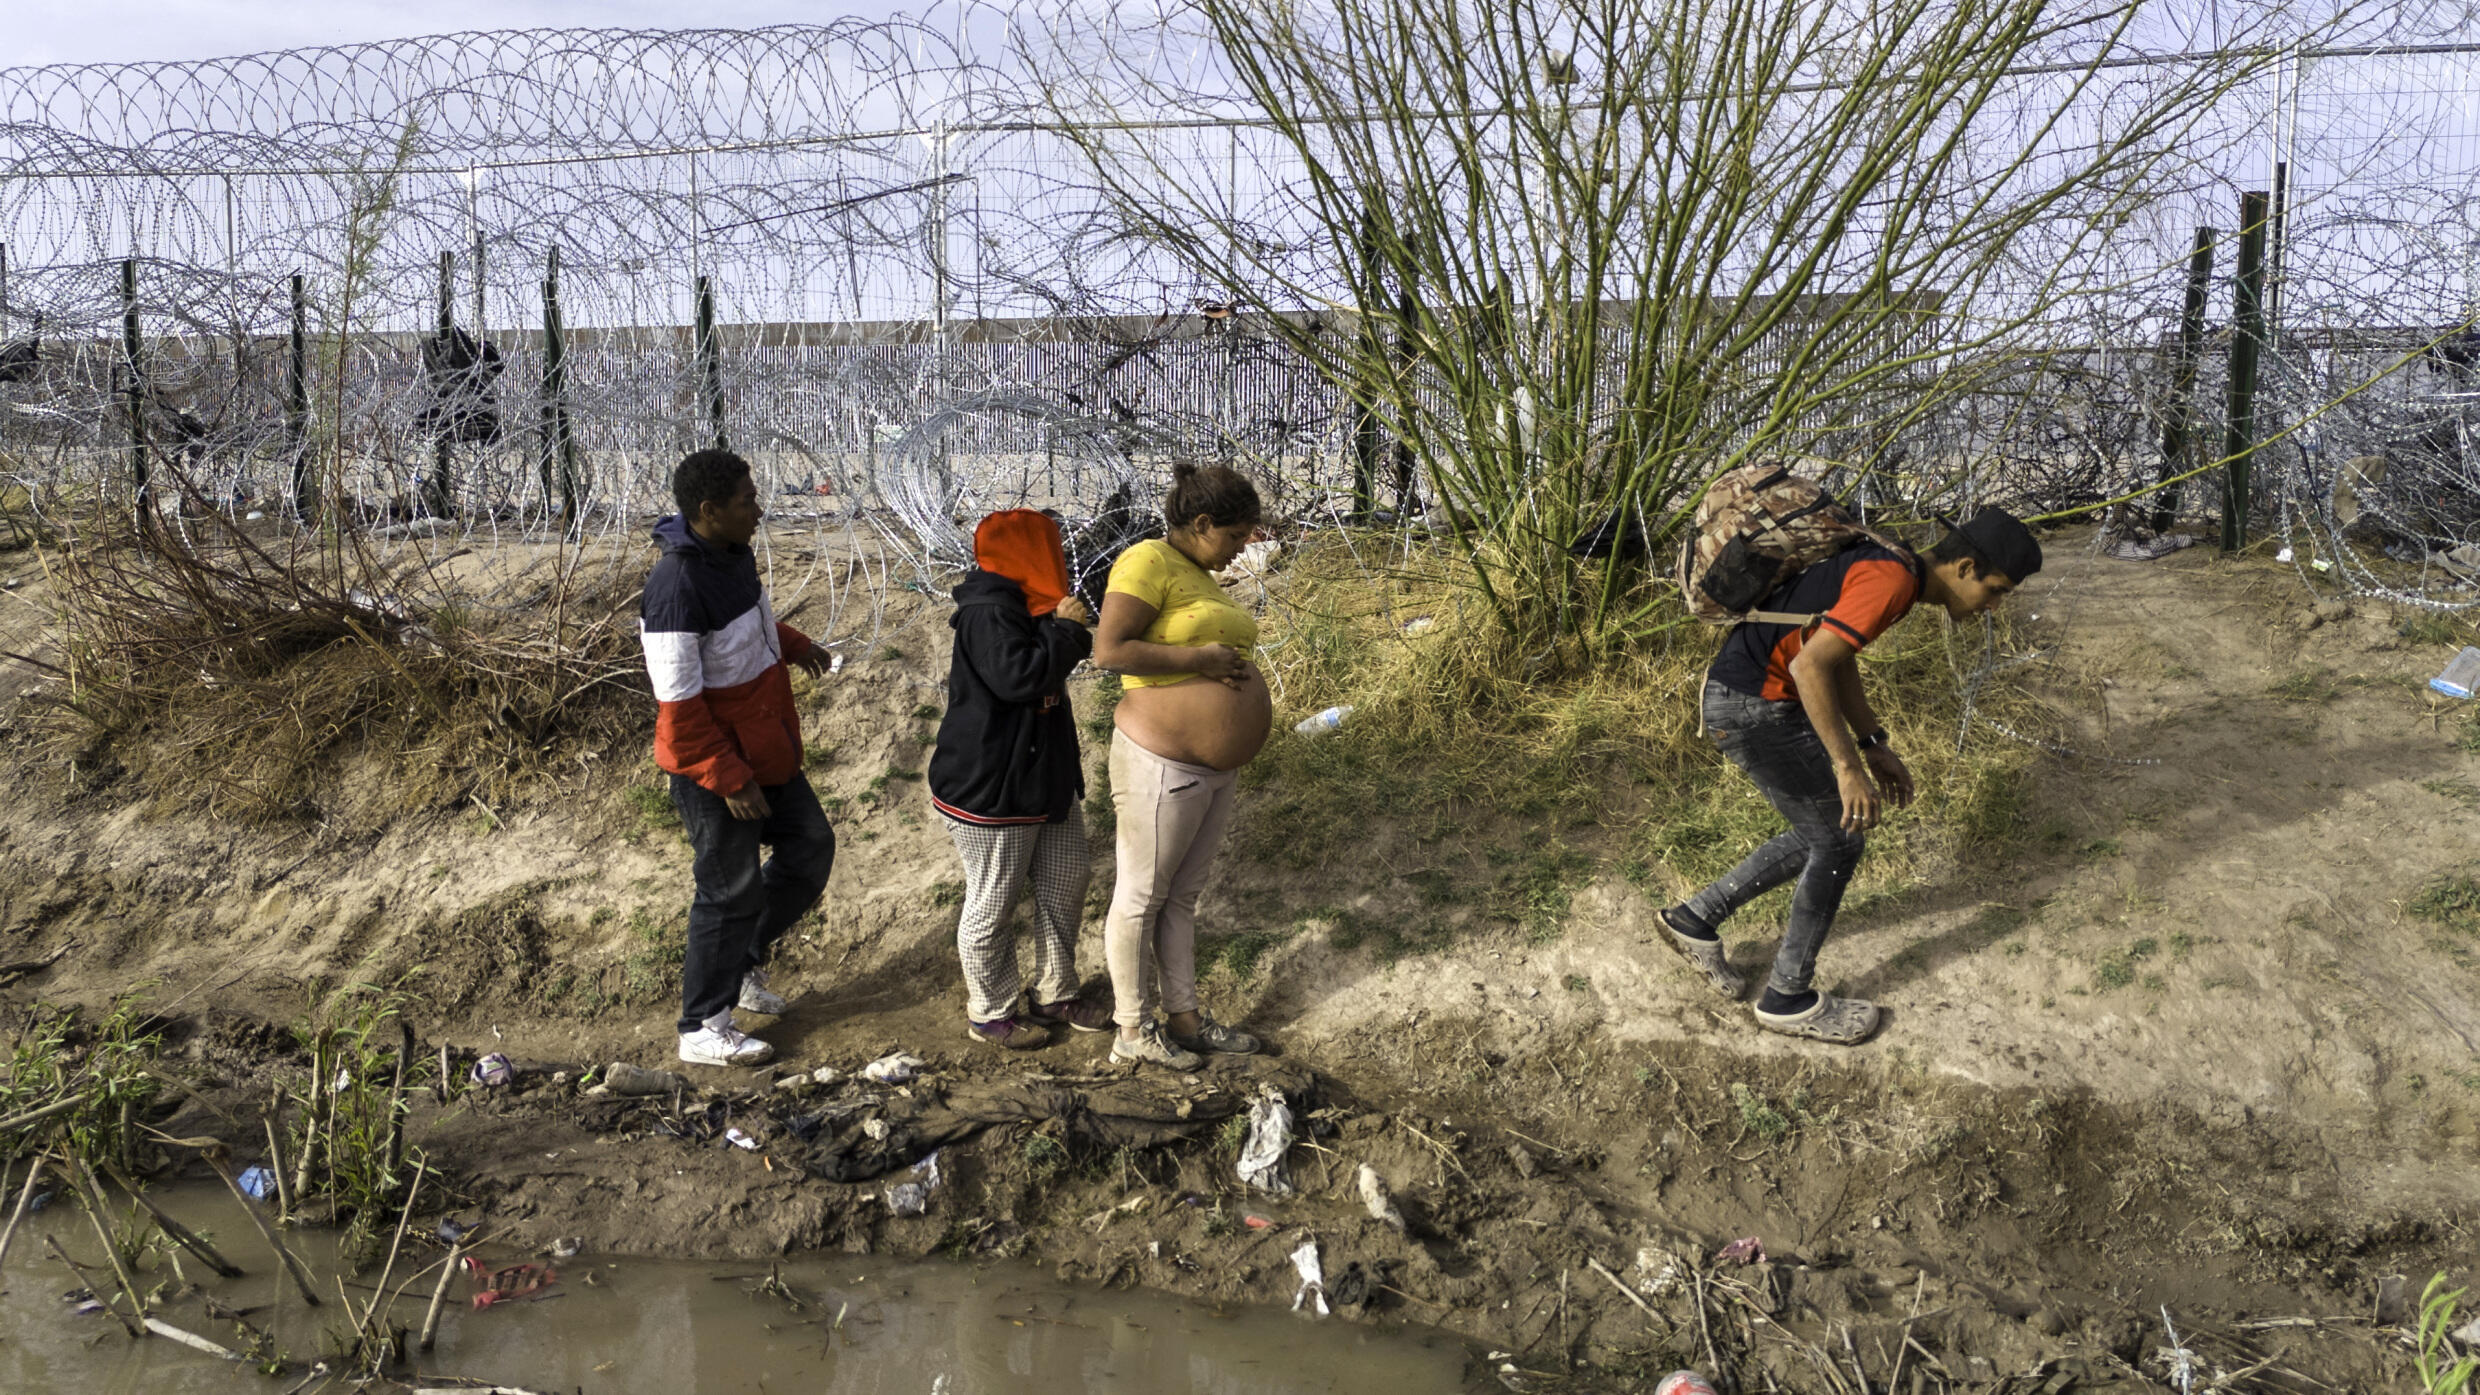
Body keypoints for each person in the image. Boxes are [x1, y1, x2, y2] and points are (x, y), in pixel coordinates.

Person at [1661, 505, 2043, 1045]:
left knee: (1818, 832)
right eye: (1997, 589)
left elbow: (1836, 657)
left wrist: (1873, 745)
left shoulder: (1895, 570)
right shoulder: (1893, 579)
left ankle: (1694, 919)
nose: (1994, 607)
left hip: (1746, 699)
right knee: (1840, 840)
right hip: (1754, 705)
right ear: (1963, 567)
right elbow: (1808, 667)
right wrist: (1847, 767)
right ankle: (1787, 998)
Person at [640, 449, 836, 1067]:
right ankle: (702, 1026)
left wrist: (793, 645)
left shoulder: (730, 556)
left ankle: (738, 965)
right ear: (709, 510)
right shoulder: (676, 588)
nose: (758, 508)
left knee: (809, 850)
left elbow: (750, 624)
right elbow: (679, 707)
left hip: (765, 749)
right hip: (717, 769)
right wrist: (727, 778)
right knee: (728, 892)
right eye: (747, 500)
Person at [1091, 463, 1272, 1070]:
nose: (1245, 545)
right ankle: (1131, 1029)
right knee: (1142, 895)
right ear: (1200, 524)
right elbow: (1108, 650)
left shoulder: (1197, 573)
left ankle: (1186, 1019)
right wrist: (1198, 656)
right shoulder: (1147, 560)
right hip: (1161, 760)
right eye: (1236, 534)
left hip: (1212, 767)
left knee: (1181, 897)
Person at [928, 510, 1115, 1050]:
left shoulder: (1027, 605)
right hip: (994, 787)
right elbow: (1019, 677)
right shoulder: (989, 611)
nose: (1061, 557)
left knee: (1066, 881)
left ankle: (1055, 991)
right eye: (1051, 548)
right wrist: (1066, 630)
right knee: (994, 900)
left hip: (1041, 778)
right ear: (1028, 553)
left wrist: (1060, 626)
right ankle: (990, 1011)